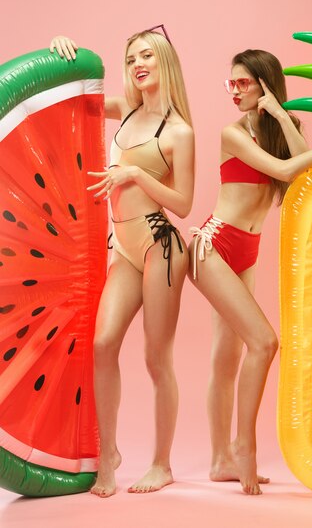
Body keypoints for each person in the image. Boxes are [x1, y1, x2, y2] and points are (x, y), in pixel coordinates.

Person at [188, 48, 312, 496]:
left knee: (227, 358)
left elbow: (302, 172)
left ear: (265, 85)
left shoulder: (284, 129)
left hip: (247, 252)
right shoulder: (232, 133)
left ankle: (220, 459)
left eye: (244, 83)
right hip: (212, 247)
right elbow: (285, 169)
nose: (235, 91)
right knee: (263, 343)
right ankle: (244, 448)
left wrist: (282, 117)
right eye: (232, 83)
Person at [50, 27, 194, 497]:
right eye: (131, 57)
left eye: (147, 55)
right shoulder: (124, 110)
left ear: (165, 62)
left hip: (160, 247)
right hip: (123, 250)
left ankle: (161, 464)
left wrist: (134, 173)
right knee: (103, 343)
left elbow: (185, 203)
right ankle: (108, 456)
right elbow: (79, 96)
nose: (138, 63)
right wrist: (62, 51)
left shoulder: (178, 131)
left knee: (156, 358)